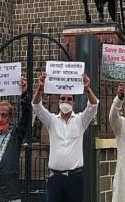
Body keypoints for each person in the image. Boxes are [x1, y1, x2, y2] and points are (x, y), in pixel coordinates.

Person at [32, 72, 98, 202]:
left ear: (73, 102)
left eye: (68, 99)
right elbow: (36, 106)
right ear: (59, 100)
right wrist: (40, 89)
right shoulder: (51, 120)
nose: (65, 101)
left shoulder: (80, 120)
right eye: (62, 98)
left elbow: (93, 105)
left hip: (75, 178)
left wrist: (87, 89)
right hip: (55, 178)